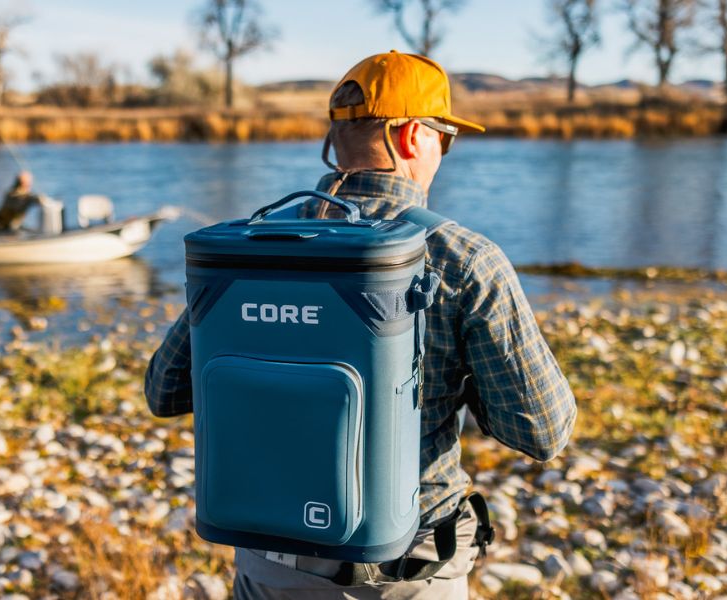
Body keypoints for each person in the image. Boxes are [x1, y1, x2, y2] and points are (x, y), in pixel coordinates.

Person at [144, 50, 577, 599]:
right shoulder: (464, 258)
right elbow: (542, 432)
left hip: (266, 562)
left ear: (335, 141)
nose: (444, 151)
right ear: (412, 136)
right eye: (446, 137)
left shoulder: (250, 248)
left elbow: (164, 391)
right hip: (405, 572)